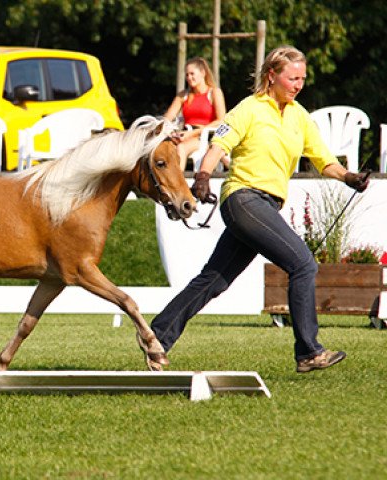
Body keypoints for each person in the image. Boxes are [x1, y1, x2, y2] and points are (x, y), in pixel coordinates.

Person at [139, 45, 369, 373]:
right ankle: (308, 352)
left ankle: (157, 336)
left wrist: (349, 177)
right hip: (244, 199)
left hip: (264, 206)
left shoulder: (300, 116)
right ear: (272, 76)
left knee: (213, 280)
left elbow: (324, 160)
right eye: (292, 78)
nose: (299, 84)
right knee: (303, 264)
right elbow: (219, 144)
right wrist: (203, 175)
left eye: (303, 78)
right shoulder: (250, 108)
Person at [163, 56, 228, 170]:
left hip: (207, 137)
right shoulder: (183, 95)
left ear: (203, 73)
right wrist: (172, 134)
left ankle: (178, 185)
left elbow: (221, 120)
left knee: (181, 148)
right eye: (187, 75)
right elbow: (166, 119)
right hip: (186, 135)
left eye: (192, 74)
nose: (189, 77)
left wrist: (194, 133)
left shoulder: (214, 92)